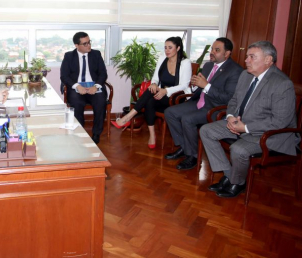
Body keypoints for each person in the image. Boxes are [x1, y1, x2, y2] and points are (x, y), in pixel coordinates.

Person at [200, 41, 298, 198]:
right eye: (247, 57)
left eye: (252, 57)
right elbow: (233, 101)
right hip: (239, 123)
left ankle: (238, 183)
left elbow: (280, 121)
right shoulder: (245, 75)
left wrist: (245, 127)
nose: (246, 61)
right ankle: (229, 174)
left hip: (269, 133)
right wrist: (231, 116)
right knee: (206, 130)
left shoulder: (282, 84)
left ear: (268, 60)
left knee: (238, 149)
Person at [163, 38, 243, 170]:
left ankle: (193, 156)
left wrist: (206, 85)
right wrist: (195, 85)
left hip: (215, 108)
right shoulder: (208, 65)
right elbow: (199, 87)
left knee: (187, 119)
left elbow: (228, 99)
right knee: (170, 112)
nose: (212, 52)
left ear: (227, 54)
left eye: (217, 50)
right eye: (212, 49)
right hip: (199, 101)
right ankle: (184, 147)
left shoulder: (235, 71)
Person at [112, 37, 191, 149]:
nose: (167, 50)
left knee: (150, 97)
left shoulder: (185, 62)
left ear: (178, 48)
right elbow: (155, 78)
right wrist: (154, 84)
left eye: (170, 48)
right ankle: (151, 135)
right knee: (150, 97)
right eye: (165, 48)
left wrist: (166, 91)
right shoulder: (162, 59)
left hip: (177, 96)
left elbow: (184, 85)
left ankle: (127, 118)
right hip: (162, 93)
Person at [60, 32, 108, 144]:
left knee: (100, 101)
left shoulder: (96, 54)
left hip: (94, 87)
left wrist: (96, 86)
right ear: (77, 45)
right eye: (85, 44)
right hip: (78, 88)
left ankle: (96, 133)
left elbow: (103, 74)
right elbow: (64, 76)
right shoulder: (69, 56)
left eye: (89, 42)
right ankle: (80, 132)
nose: (89, 46)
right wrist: (77, 86)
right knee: (76, 102)